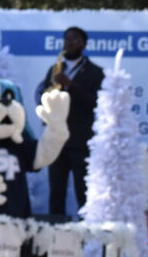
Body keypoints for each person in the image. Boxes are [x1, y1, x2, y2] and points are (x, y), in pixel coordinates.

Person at [37, 26, 104, 216]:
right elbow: (43, 96)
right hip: (56, 140)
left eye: (74, 39)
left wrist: (71, 85)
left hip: (79, 140)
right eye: (66, 39)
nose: (69, 43)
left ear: (83, 44)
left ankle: (86, 235)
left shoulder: (95, 72)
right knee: (56, 191)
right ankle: (55, 234)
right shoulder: (55, 69)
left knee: (82, 191)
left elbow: (95, 102)